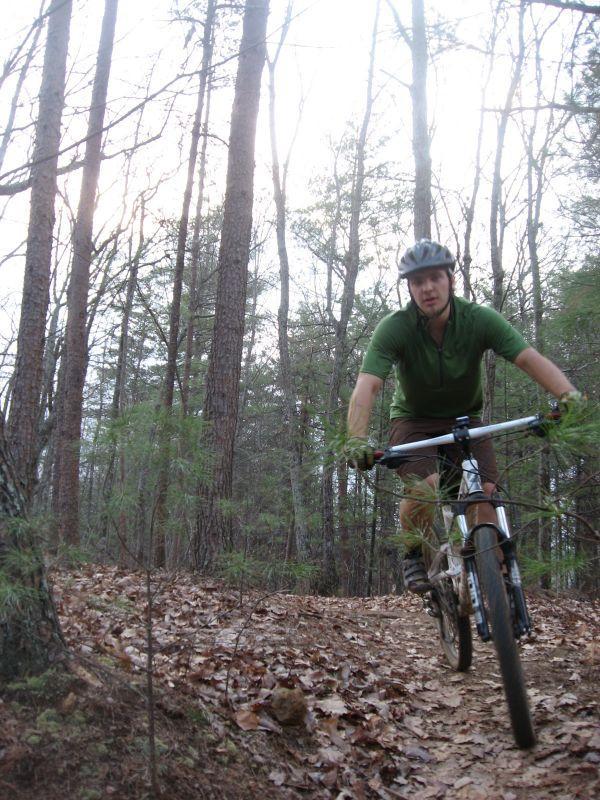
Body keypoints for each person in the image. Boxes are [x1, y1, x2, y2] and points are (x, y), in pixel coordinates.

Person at [345, 238, 583, 593]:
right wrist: (355, 439)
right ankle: (413, 553)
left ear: (451, 279)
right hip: (414, 422)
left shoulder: (478, 319)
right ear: (409, 288)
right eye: (417, 282)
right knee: (424, 489)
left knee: (484, 496)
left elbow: (527, 357)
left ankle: (491, 578)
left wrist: (568, 396)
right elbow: (368, 385)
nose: (427, 288)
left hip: (466, 420)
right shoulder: (395, 327)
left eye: (435, 278)